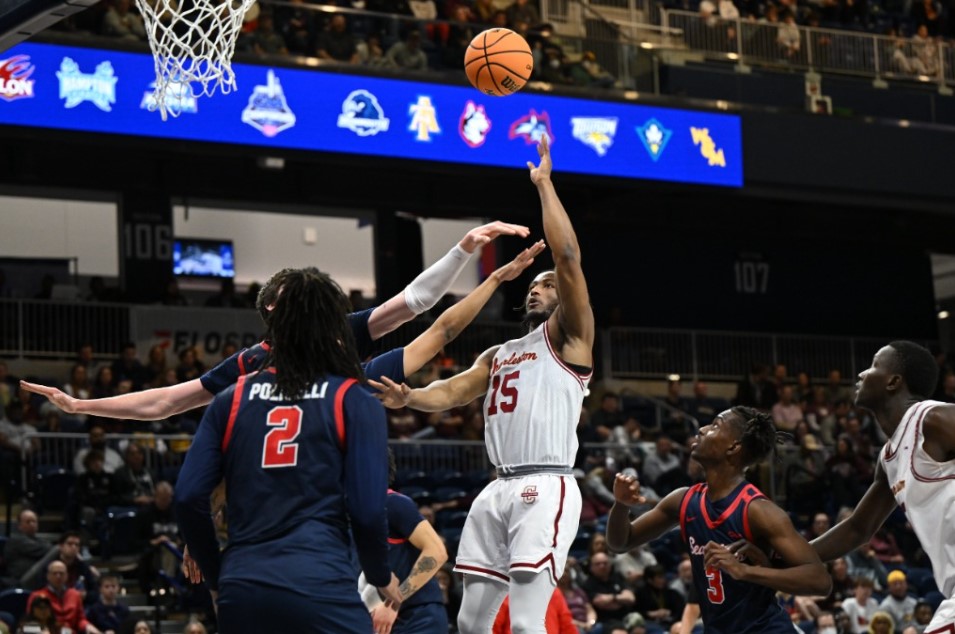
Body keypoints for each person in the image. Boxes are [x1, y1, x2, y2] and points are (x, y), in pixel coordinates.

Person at [371, 136, 595, 634]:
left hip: (546, 480)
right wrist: (410, 397)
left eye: (548, 284)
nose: (538, 287)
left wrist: (544, 185)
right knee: (471, 624)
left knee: (526, 623)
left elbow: (568, 256)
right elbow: (451, 392)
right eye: (534, 284)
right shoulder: (499, 355)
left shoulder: (573, 339)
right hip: (497, 487)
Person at [22, 221, 528, 420]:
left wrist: (463, 250)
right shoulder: (255, 359)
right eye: (297, 292)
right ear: (271, 307)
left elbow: (416, 302)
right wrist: (82, 404)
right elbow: (165, 400)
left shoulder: (347, 328)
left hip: (342, 450)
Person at [174, 268, 401, 632]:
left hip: (242, 588)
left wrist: (219, 578)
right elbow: (367, 510)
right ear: (334, 327)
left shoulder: (232, 397)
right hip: (318, 581)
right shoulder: (353, 399)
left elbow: (187, 498)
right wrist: (379, 573)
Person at [606, 406, 831, 632]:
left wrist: (745, 571)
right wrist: (621, 505)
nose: (702, 430)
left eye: (715, 425)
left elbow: (819, 580)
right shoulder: (682, 500)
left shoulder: (758, 511)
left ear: (733, 447)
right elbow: (621, 542)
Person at [807, 341, 955, 632]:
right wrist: (784, 554)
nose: (861, 374)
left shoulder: (934, 418)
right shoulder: (889, 458)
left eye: (873, 365)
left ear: (894, 382)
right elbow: (857, 529)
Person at [359, 453, 449, 634]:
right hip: (375, 617)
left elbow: (437, 552)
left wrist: (393, 602)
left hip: (417, 616)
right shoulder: (347, 513)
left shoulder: (393, 503)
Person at [27, 561, 102, 634]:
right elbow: (28, 626)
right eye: (54, 573)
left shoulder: (75, 595)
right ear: (48, 576)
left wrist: (88, 627)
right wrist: (41, 631)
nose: (58, 576)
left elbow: (80, 620)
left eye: (61, 573)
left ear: (67, 576)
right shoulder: (37, 596)